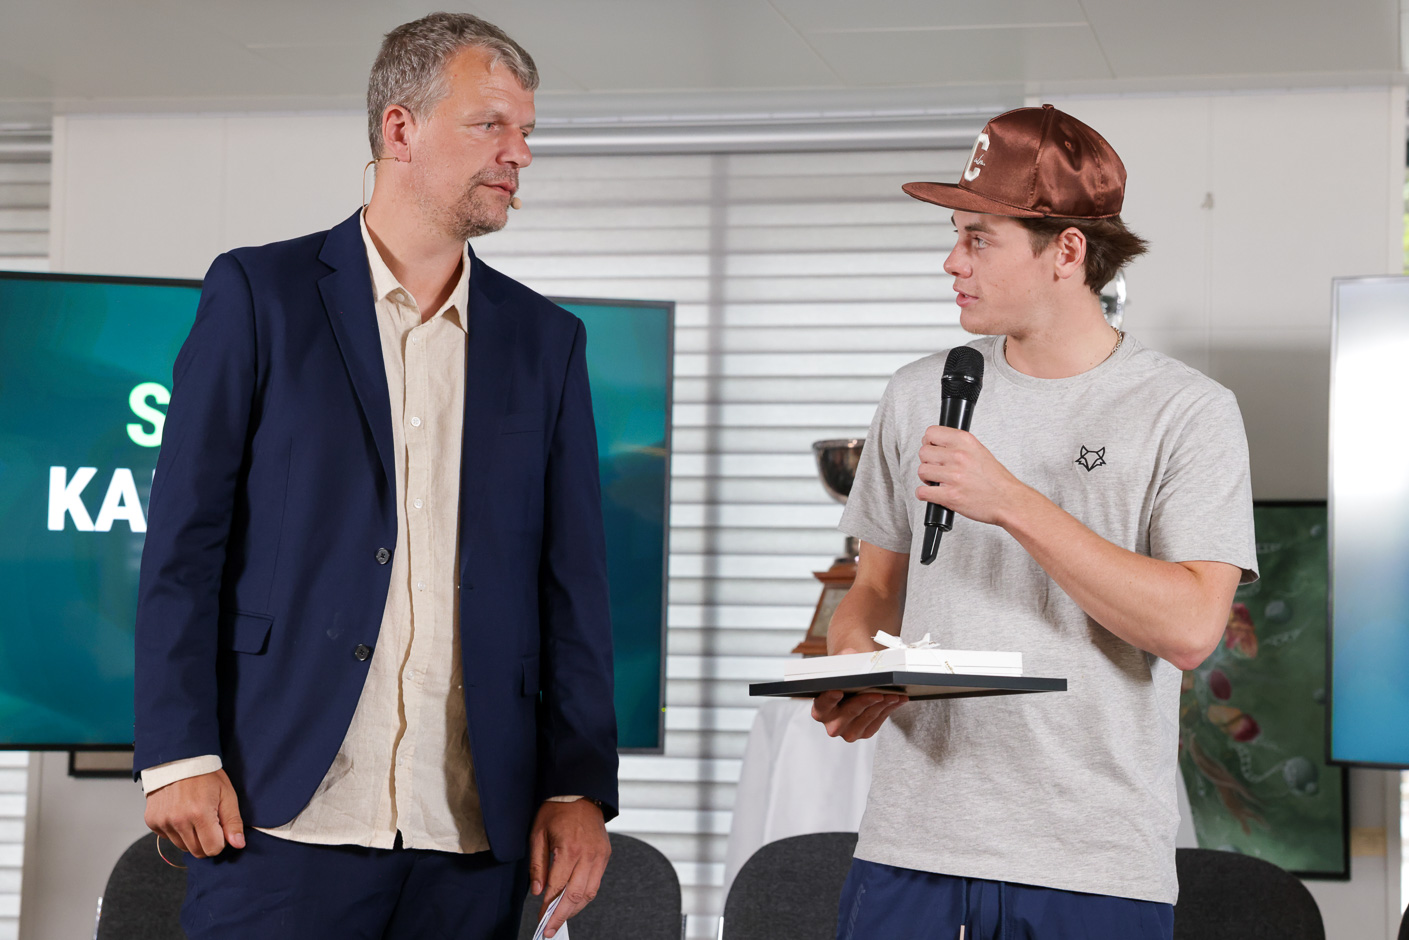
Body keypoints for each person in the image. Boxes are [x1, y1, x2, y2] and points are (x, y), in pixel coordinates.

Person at [133, 13, 616, 940]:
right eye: (491, 125)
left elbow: (574, 587)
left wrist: (576, 784)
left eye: (525, 131)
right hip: (276, 812)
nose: (519, 152)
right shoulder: (258, 295)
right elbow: (185, 544)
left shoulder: (547, 342)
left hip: (474, 836)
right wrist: (177, 752)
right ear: (400, 129)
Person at [811, 104, 1257, 939]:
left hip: (1089, 866)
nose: (951, 261)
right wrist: (857, 668)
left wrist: (1013, 503)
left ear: (1067, 251)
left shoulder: (1185, 412)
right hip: (912, 847)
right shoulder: (918, 391)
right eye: (954, 234)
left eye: (979, 238)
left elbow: (1193, 629)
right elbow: (872, 591)